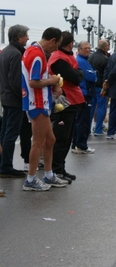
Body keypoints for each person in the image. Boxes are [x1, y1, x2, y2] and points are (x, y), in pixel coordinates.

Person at [21, 27, 68, 190]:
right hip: (37, 102)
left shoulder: (32, 50)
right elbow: (34, 82)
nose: (56, 49)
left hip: (38, 101)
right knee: (39, 142)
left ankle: (48, 175)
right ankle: (31, 179)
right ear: (52, 40)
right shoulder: (37, 55)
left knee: (50, 140)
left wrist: (50, 81)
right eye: (57, 45)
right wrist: (52, 81)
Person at [47, 31, 85, 182]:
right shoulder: (59, 59)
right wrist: (78, 73)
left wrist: (78, 73)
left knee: (67, 137)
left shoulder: (64, 57)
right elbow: (76, 78)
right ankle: (56, 170)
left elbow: (78, 75)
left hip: (70, 100)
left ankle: (60, 167)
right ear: (70, 44)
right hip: (64, 101)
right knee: (61, 137)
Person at [0, 25, 29, 178]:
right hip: (14, 100)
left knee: (4, 133)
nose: (28, 38)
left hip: (5, 97)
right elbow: (15, 80)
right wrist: (24, 96)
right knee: (11, 134)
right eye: (26, 35)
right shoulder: (17, 54)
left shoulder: (5, 52)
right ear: (19, 37)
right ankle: (6, 166)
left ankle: (3, 163)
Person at [71, 41, 97, 154]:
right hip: (84, 94)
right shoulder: (81, 61)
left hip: (85, 93)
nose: (87, 50)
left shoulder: (84, 61)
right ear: (79, 49)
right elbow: (91, 76)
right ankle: (81, 145)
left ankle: (77, 144)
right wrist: (93, 74)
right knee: (83, 121)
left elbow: (93, 75)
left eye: (89, 48)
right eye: (85, 48)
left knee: (81, 120)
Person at [89, 39, 109, 136]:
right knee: (101, 107)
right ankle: (98, 129)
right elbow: (107, 73)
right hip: (101, 86)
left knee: (91, 107)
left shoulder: (90, 57)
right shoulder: (105, 59)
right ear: (105, 47)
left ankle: (87, 128)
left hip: (91, 85)